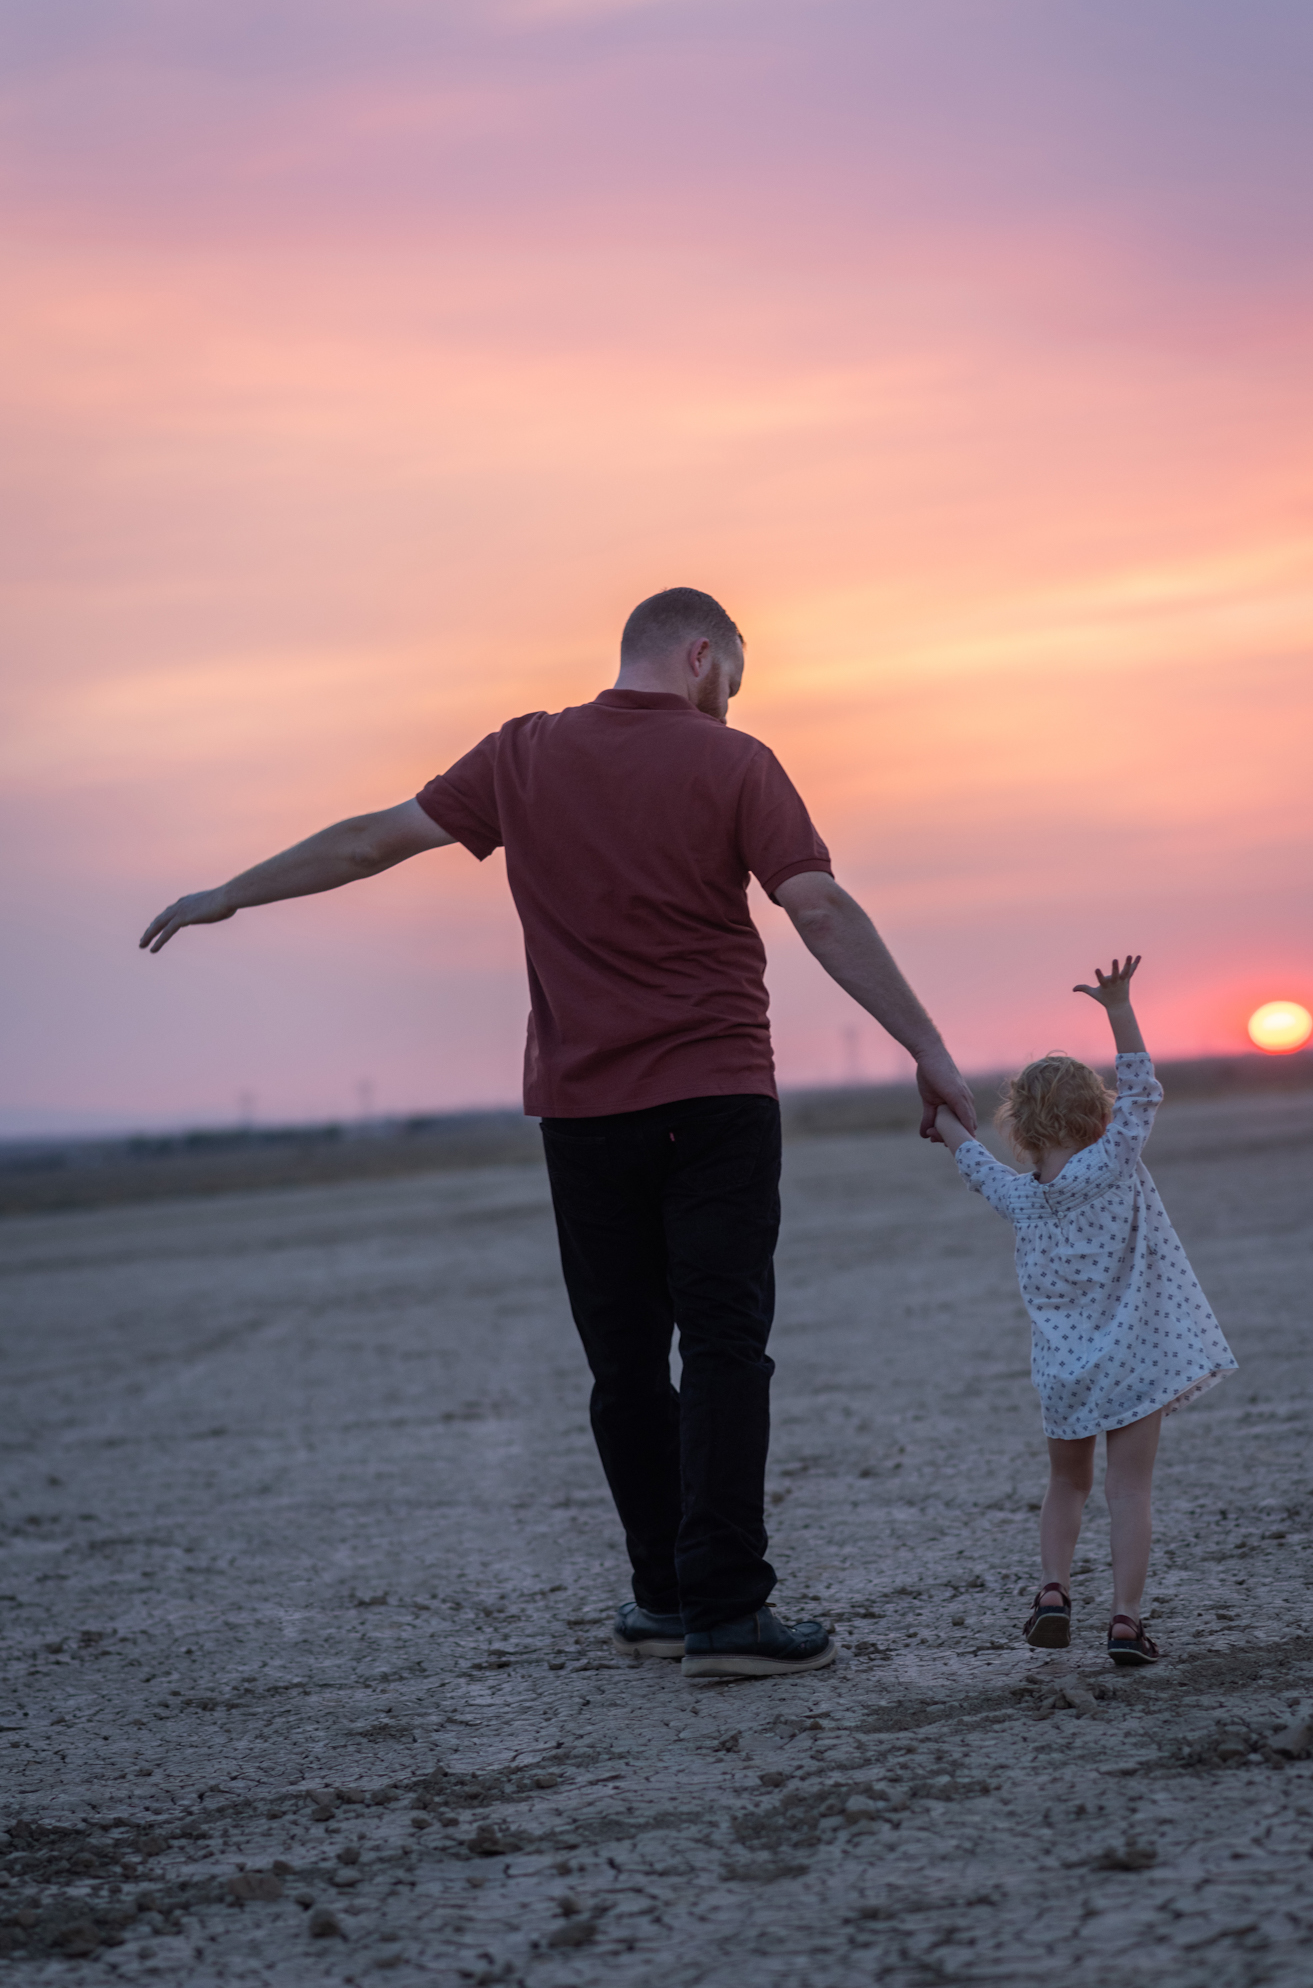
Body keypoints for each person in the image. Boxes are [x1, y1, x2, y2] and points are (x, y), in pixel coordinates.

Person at [141, 587, 977, 1679]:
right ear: (699, 653)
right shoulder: (736, 762)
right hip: (717, 1098)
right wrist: (927, 1043)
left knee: (625, 1361)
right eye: (732, 673)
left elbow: (366, 843)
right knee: (723, 1344)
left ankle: (666, 1598)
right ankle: (727, 1612)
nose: (730, 699)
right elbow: (816, 907)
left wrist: (231, 894)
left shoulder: (521, 754)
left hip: (583, 1113)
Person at [929, 957, 1237, 1665]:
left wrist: (940, 1111)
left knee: (1066, 1482)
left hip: (1061, 1373)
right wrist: (1117, 1006)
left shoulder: (1021, 1198)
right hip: (1135, 1362)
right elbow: (1140, 1086)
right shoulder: (1116, 1159)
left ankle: (1051, 1592)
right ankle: (1125, 1622)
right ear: (1093, 1112)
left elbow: (968, 1157)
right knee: (1130, 1492)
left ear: (1024, 1124)